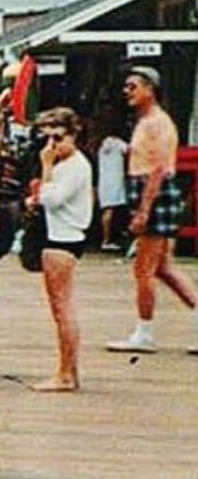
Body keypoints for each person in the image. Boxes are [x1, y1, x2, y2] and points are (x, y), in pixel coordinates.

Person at [106, 67, 198, 353]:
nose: (127, 92)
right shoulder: (145, 122)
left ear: (150, 89)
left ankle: (144, 332)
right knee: (163, 268)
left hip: (153, 191)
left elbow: (158, 168)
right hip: (149, 190)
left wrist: (144, 209)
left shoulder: (158, 122)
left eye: (133, 86)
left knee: (143, 268)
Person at [26, 107, 93, 392]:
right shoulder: (67, 165)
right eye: (48, 139)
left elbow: (51, 197)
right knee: (60, 308)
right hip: (58, 234)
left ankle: (66, 373)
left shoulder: (75, 165)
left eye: (58, 138)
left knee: (62, 308)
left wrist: (46, 166)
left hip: (63, 239)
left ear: (74, 134)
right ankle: (68, 371)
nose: (52, 146)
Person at [93, 104, 130, 252]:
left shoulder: (102, 145)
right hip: (116, 179)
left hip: (104, 179)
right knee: (112, 210)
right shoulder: (119, 143)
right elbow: (131, 151)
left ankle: (105, 238)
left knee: (106, 209)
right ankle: (107, 239)